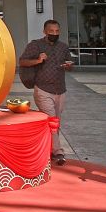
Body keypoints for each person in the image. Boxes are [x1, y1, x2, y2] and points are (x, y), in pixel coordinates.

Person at [19, 19, 74, 166]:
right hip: (43, 89)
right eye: (51, 31)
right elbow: (22, 62)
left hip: (60, 90)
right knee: (52, 121)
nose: (54, 34)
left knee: (56, 120)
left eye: (57, 31)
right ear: (45, 31)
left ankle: (45, 149)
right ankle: (58, 152)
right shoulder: (35, 45)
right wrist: (38, 60)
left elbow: (69, 63)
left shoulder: (63, 47)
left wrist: (68, 65)